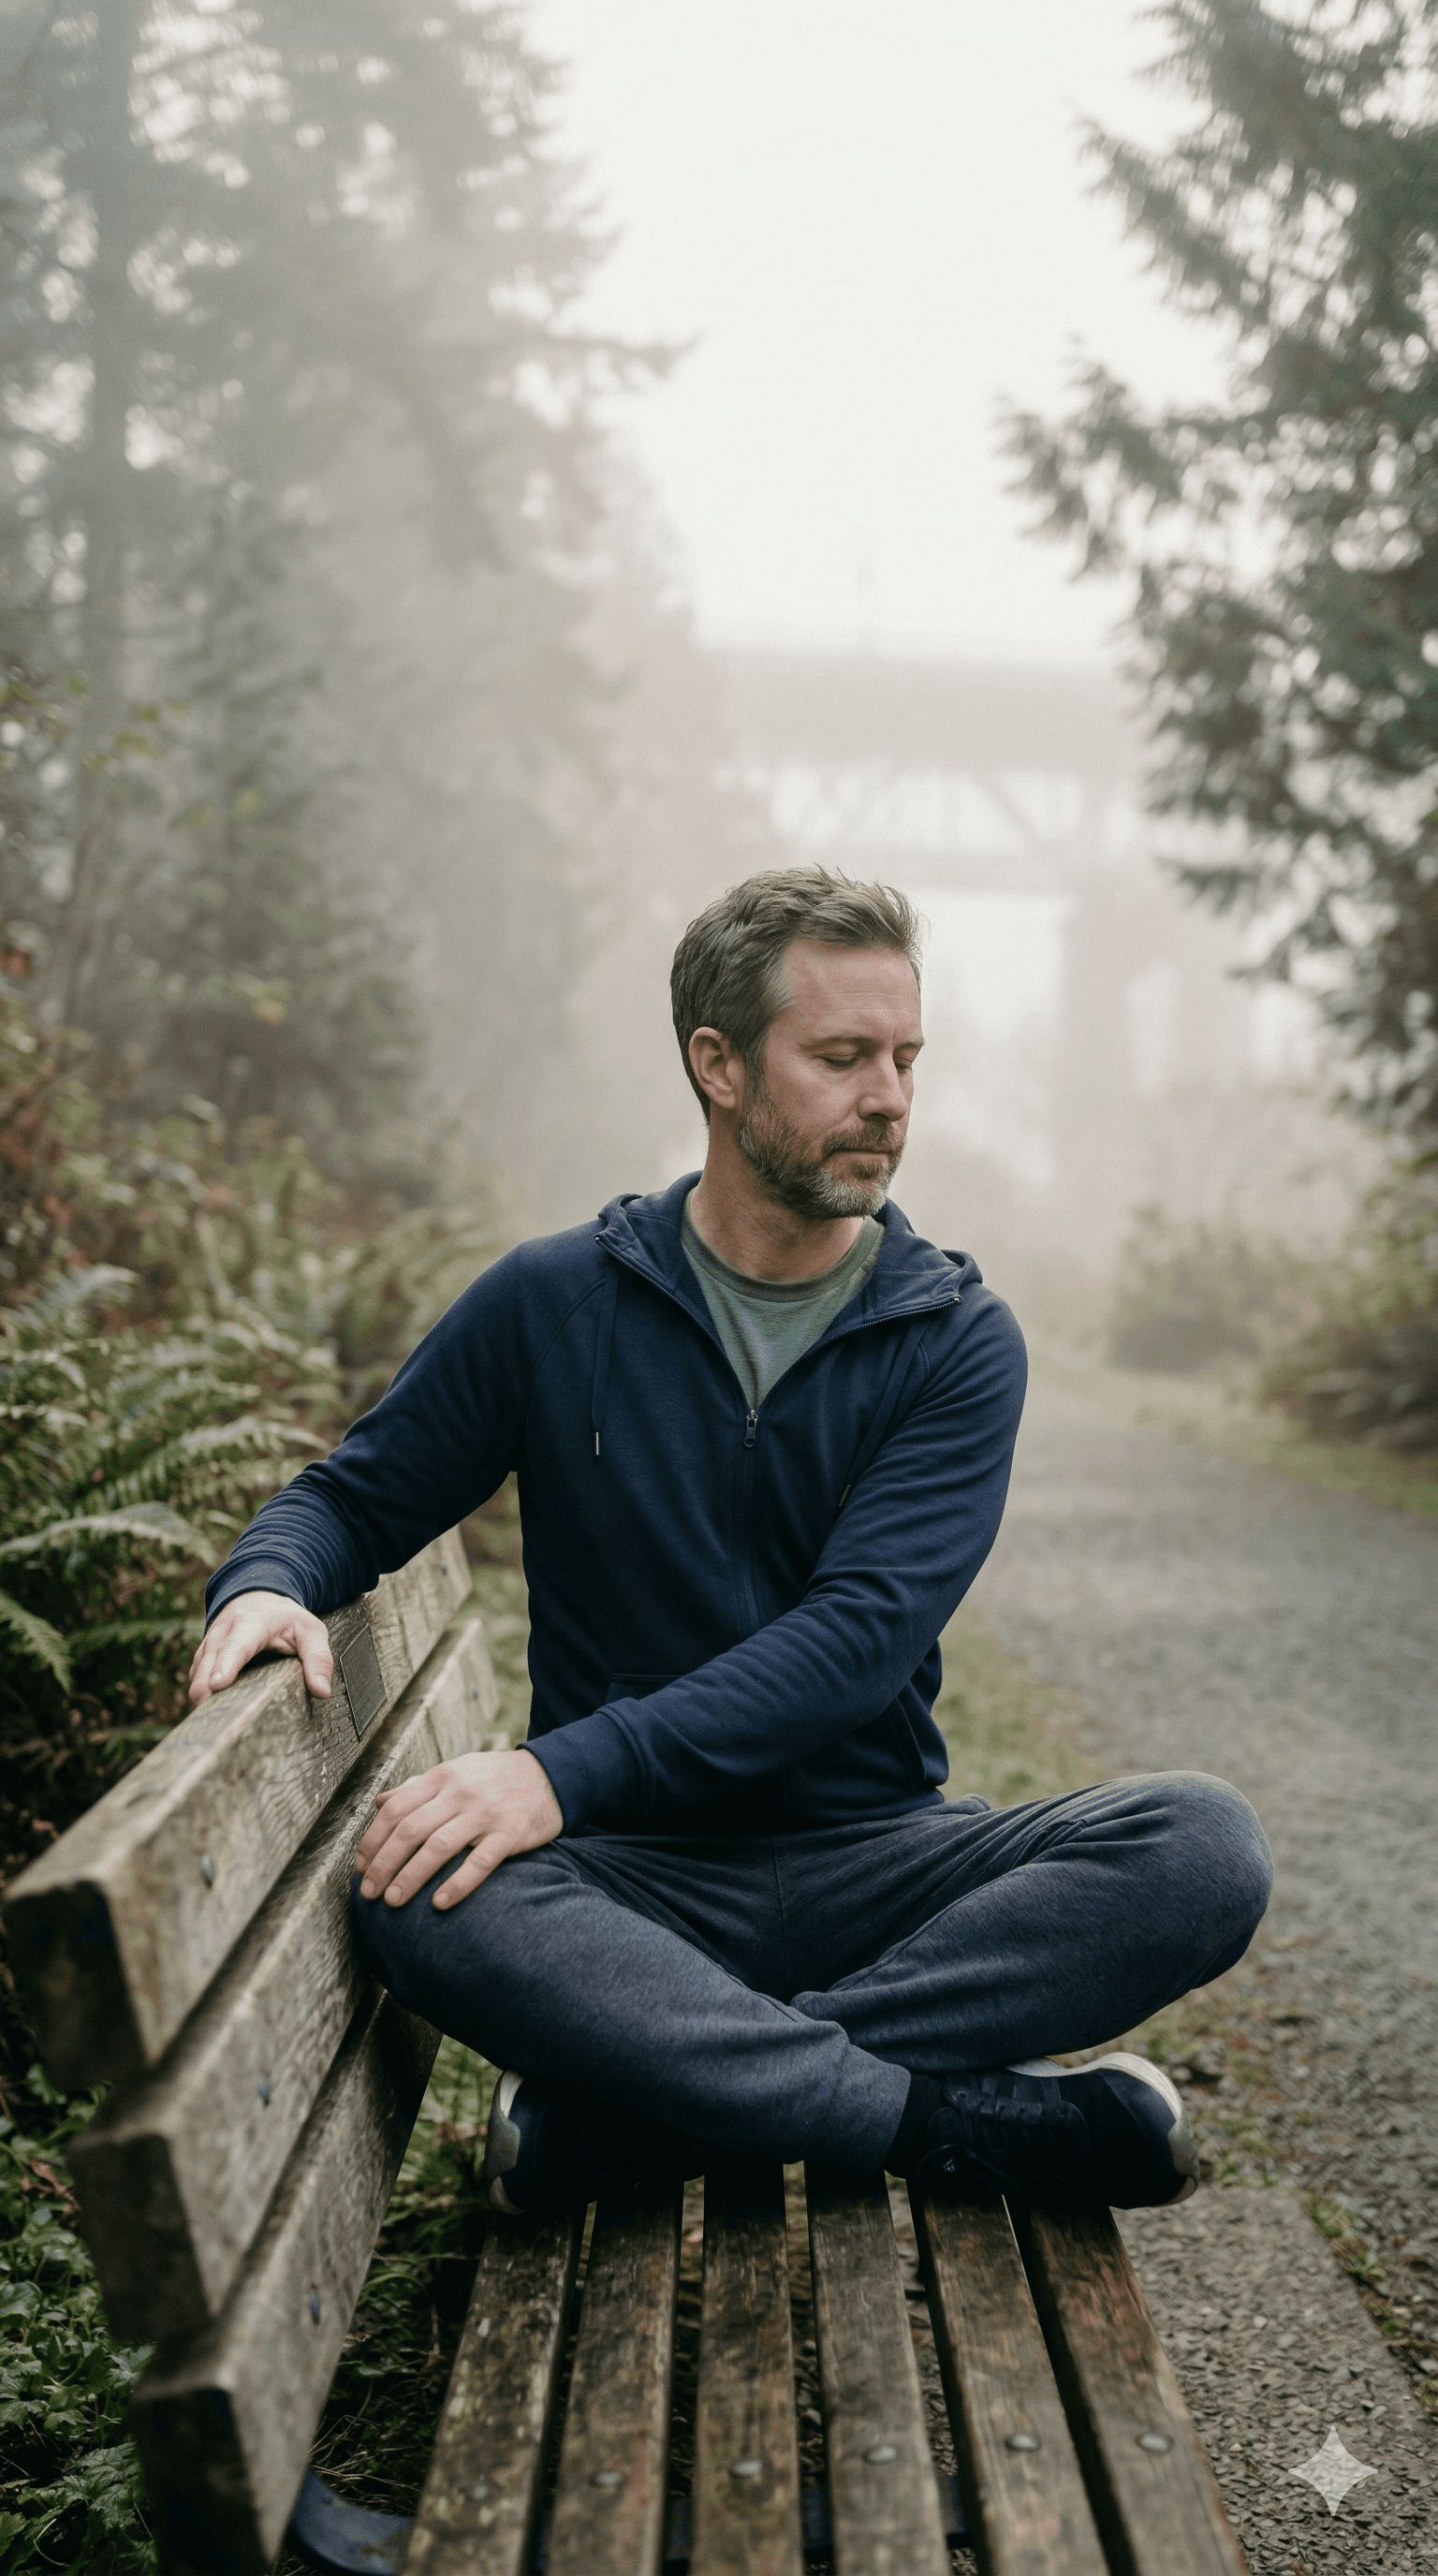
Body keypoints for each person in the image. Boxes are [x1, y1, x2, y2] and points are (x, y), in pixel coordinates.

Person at [190, 867, 1271, 2217]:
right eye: (840, 1057)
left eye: (905, 1057)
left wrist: (551, 1774)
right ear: (718, 1064)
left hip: (878, 1865)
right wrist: (266, 1582)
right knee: (424, 1897)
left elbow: (853, 1646)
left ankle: (653, 2110)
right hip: (634, 1883)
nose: (889, 1096)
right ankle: (937, 2120)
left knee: (1201, 1847)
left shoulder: (953, 1341)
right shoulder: (552, 1304)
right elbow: (352, 1498)